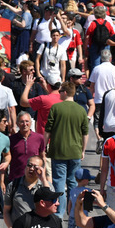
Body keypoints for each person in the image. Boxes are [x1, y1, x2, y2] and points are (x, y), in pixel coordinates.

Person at [44, 80, 89, 216]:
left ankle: (59, 212)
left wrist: (44, 146)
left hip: (58, 151)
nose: (59, 94)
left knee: (59, 182)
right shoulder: (81, 109)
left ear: (64, 92)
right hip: (75, 151)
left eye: (60, 91)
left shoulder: (56, 108)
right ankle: (74, 211)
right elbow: (85, 133)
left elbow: (48, 130)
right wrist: (83, 150)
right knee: (73, 182)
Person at [4, 156, 49, 228]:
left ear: (41, 170)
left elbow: (51, 206)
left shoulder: (46, 186)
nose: (31, 169)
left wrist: (43, 179)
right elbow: (6, 211)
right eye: (29, 165)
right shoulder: (13, 185)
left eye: (35, 167)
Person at [8, 112, 46, 182]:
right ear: (17, 124)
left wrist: (44, 175)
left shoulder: (39, 138)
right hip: (16, 179)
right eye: (22, 122)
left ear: (31, 123)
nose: (25, 124)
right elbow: (7, 158)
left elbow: (42, 157)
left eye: (27, 121)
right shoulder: (11, 140)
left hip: (34, 178)